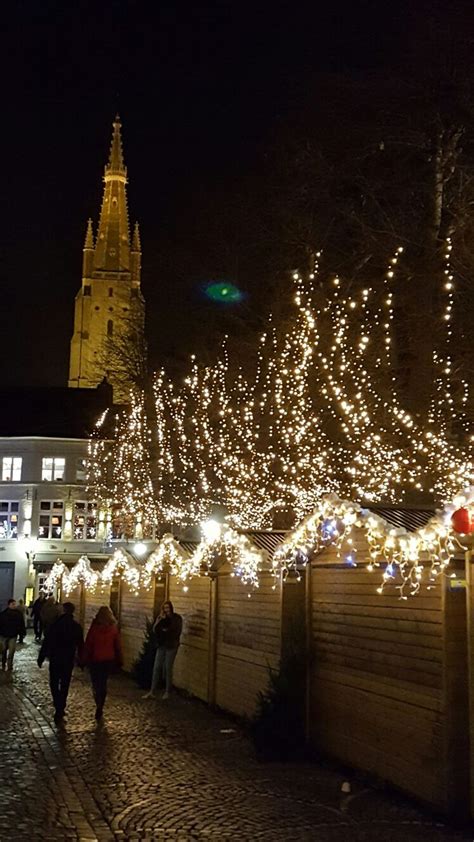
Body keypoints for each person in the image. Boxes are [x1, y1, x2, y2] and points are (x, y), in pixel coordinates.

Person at [38, 602, 84, 725]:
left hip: (55, 658)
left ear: (63, 610)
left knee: (54, 682)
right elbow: (81, 645)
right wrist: (82, 660)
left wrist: (41, 657)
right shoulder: (76, 626)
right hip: (68, 659)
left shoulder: (55, 625)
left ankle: (58, 703)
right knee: (65, 683)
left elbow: (47, 642)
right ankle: (61, 705)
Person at [83, 606, 122, 721]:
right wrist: (120, 660)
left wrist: (83, 659)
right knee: (103, 682)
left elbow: (89, 643)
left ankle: (98, 703)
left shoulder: (95, 628)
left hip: (95, 659)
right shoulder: (113, 628)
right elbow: (118, 646)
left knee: (96, 683)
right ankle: (101, 703)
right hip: (108, 659)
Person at [143, 600, 182, 700]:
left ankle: (168, 691)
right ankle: (152, 691)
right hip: (162, 645)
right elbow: (155, 630)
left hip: (171, 646)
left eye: (168, 608)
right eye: (165, 608)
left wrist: (165, 631)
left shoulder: (176, 618)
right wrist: (159, 620)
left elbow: (174, 631)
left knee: (167, 668)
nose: (166, 610)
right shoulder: (162, 619)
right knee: (157, 667)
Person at [0, 599, 26, 671]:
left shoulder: (18, 614)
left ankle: (9, 666)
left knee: (11, 652)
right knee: (4, 651)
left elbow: (21, 624)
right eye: (13, 604)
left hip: (13, 635)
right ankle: (3, 664)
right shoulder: (3, 614)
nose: (14, 605)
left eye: (15, 604)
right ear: (9, 605)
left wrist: (22, 632)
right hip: (4, 635)